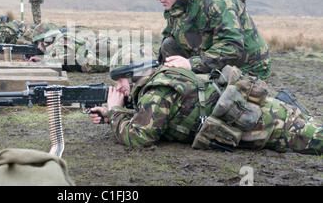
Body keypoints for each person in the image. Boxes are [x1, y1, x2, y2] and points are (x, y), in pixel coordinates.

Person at [88, 46, 323, 155]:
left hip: (276, 126)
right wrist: (115, 116)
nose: (118, 87)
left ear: (136, 74)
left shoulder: (157, 89)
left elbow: (141, 137)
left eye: (121, 80)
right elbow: (156, 119)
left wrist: (116, 110)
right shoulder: (163, 83)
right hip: (270, 117)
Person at [136, 0, 271, 80]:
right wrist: (153, 72)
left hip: (246, 71)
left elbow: (232, 46)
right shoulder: (176, 9)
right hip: (214, 65)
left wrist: (190, 64)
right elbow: (170, 41)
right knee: (168, 44)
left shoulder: (217, 1)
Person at [29, 22, 116, 73]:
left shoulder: (62, 41)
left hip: (108, 63)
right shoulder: (59, 43)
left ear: (50, 38)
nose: (39, 46)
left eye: (40, 42)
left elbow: (57, 60)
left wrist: (41, 62)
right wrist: (41, 61)